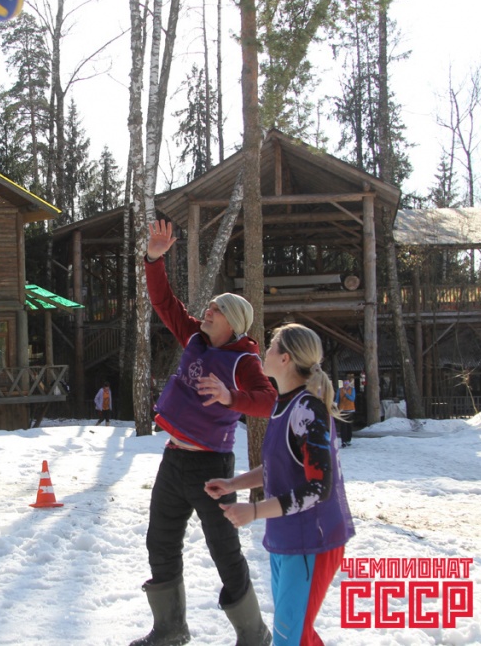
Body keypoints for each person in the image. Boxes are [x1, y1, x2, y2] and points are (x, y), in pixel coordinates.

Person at [131, 219, 278, 646]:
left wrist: (232, 397)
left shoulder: (244, 361)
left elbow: (269, 401)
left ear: (233, 322)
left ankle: (253, 634)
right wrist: (154, 259)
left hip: (211, 467)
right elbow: (164, 302)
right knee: (160, 542)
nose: (207, 312)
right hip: (174, 460)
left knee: (224, 551)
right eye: (208, 308)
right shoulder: (195, 339)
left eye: (216, 309)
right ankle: (170, 629)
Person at [206, 323, 355, 646]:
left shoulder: (308, 410)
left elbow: (318, 488)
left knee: (290, 638)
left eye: (272, 346)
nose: (265, 352)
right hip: (286, 538)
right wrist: (233, 482)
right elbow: (280, 465)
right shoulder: (283, 404)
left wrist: (254, 511)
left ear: (286, 358)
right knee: (296, 635)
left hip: (312, 540)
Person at [335, 374, 355, 447]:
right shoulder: (340, 390)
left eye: (347, 382)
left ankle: (348, 440)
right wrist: (335, 405)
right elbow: (337, 399)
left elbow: (352, 398)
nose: (345, 384)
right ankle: (343, 441)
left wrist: (346, 394)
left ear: (349, 383)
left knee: (349, 426)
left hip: (350, 410)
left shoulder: (352, 389)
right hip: (342, 410)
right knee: (343, 426)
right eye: (344, 382)